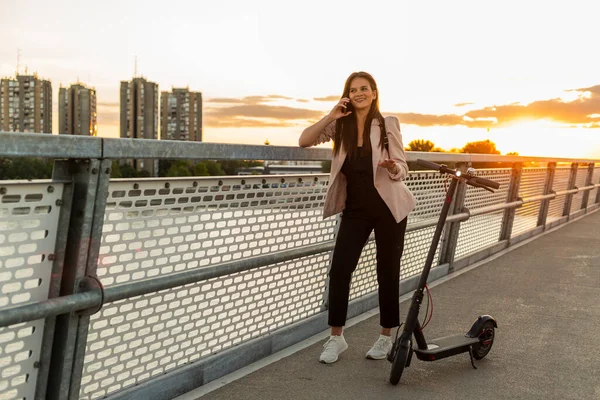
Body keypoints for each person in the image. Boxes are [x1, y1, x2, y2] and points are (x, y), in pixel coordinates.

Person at [299, 71, 416, 364]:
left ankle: (386, 337)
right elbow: (304, 140)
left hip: (389, 206)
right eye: (353, 90)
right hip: (355, 210)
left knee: (387, 271)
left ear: (374, 93)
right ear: (347, 95)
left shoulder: (388, 124)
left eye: (364, 89)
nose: (359, 93)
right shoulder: (340, 127)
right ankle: (336, 338)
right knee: (339, 270)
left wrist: (392, 169)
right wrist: (330, 115)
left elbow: (403, 167)